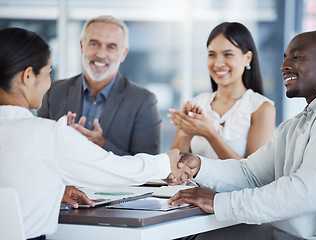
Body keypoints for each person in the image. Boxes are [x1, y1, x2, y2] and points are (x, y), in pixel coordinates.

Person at [0, 27, 189, 240]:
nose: (48, 83)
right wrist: (166, 162)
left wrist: (53, 189)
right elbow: (114, 170)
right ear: (27, 76)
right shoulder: (48, 135)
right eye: (48, 73)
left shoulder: (142, 99)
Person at [169, 30, 316, 239]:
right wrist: (200, 166)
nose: (284, 66)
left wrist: (219, 202)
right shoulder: (298, 123)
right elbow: (252, 173)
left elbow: (307, 192)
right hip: (279, 232)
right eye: (285, 58)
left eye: (296, 57)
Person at [37, 15, 161, 156]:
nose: (101, 54)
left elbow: (149, 165)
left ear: (123, 54)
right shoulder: (53, 92)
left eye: (111, 47)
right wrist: (60, 139)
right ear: (82, 47)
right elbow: (39, 149)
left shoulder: (143, 101)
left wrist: (101, 145)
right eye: (94, 44)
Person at [169, 22, 275, 160]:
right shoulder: (197, 103)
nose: (218, 63)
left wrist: (211, 135)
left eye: (228, 54)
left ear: (247, 58)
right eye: (212, 55)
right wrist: (184, 133)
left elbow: (255, 176)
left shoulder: (261, 108)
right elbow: (174, 168)